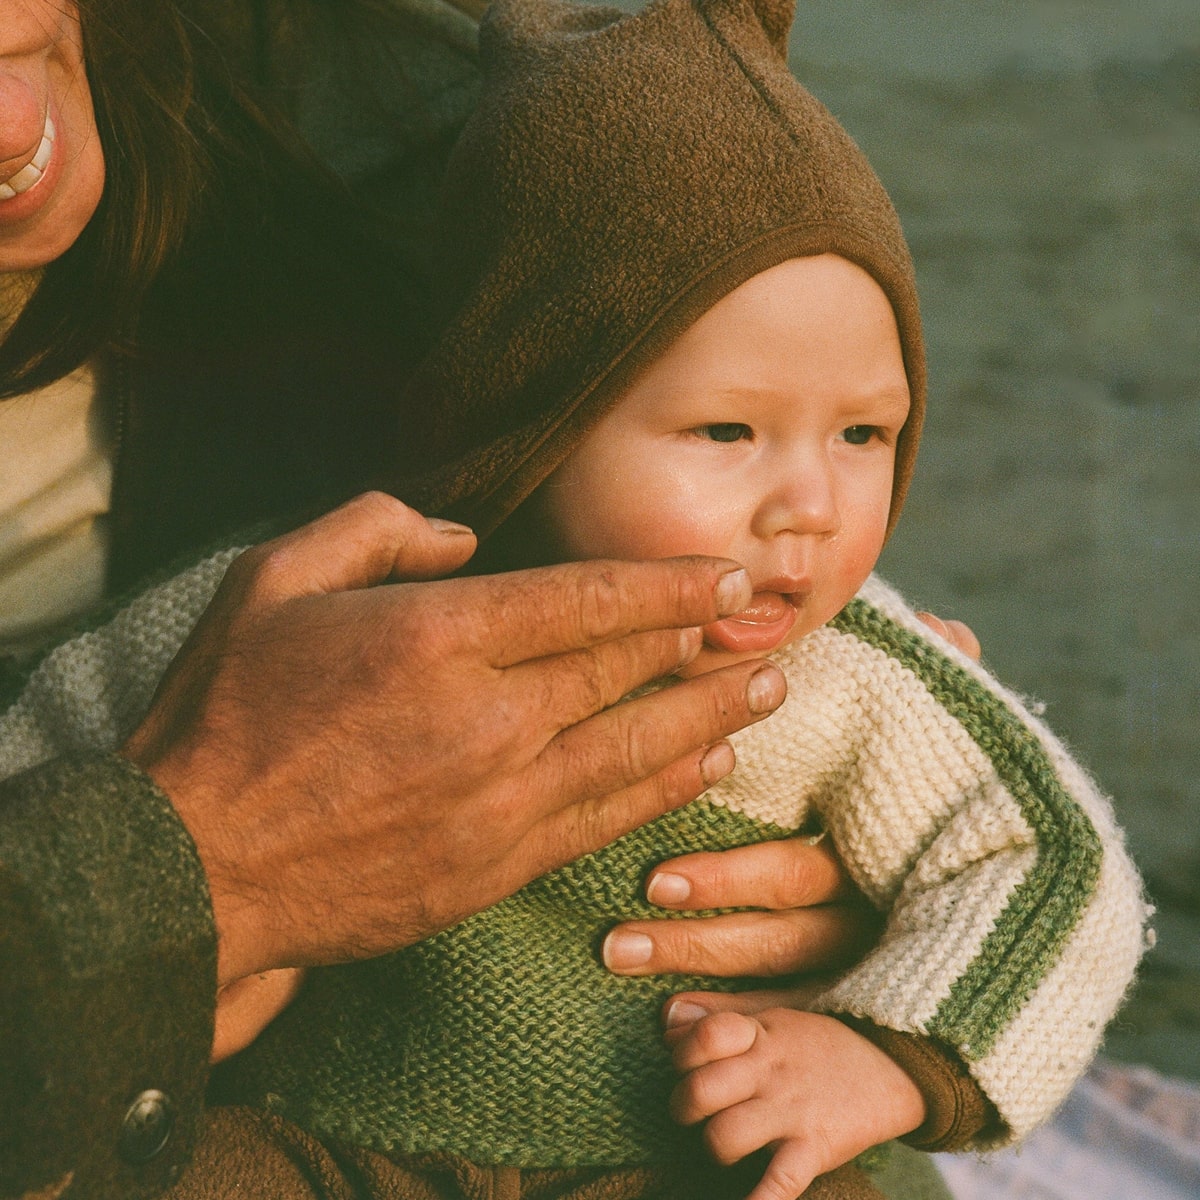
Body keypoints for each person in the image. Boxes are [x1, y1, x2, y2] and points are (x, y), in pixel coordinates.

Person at [1, 0, 1149, 1198]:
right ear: (536, 421)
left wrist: (883, 1046)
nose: (808, 502)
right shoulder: (331, 597)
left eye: (867, 431)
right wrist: (137, 894)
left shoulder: (848, 680)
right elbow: (64, 732)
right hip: (327, 1138)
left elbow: (1044, 863)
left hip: (673, 1151)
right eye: (726, 430)